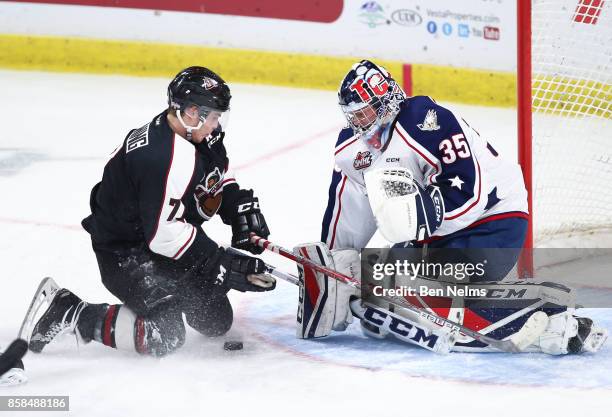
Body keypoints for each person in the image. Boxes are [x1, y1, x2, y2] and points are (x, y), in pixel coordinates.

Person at [294, 60, 606, 355]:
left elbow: (469, 194)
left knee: (405, 292)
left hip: (495, 222)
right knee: (376, 284)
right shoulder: (352, 149)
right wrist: (331, 267)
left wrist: (423, 218)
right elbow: (348, 212)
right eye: (354, 116)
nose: (359, 122)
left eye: (366, 112)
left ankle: (549, 318)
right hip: (435, 235)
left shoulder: (427, 121)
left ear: (387, 101)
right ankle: (511, 304)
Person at [26, 66, 274, 357]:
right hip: (125, 252)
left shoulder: (193, 134)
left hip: (152, 240)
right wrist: (219, 261)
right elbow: (163, 235)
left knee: (214, 319)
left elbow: (209, 176)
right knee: (165, 335)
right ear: (192, 112)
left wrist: (235, 205)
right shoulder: (160, 157)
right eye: (214, 116)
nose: (217, 124)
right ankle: (72, 311)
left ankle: (166, 294)